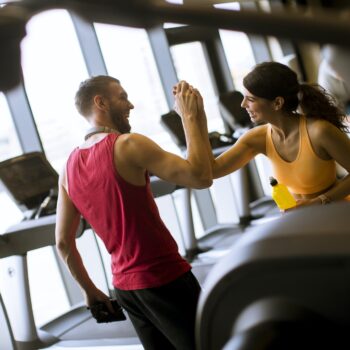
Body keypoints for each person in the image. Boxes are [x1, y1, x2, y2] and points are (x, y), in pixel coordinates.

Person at [55, 76, 212, 350]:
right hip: (163, 277)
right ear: (100, 102)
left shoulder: (68, 167)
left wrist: (90, 292)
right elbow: (200, 177)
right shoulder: (129, 144)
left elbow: (63, 243)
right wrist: (191, 117)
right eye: (122, 97)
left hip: (126, 289)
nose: (130, 105)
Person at [207, 61, 350, 207]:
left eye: (250, 99)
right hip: (302, 218)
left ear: (277, 103)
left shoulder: (319, 131)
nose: (243, 104)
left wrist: (318, 202)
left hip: (337, 211)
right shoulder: (257, 138)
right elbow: (211, 171)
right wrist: (193, 120)